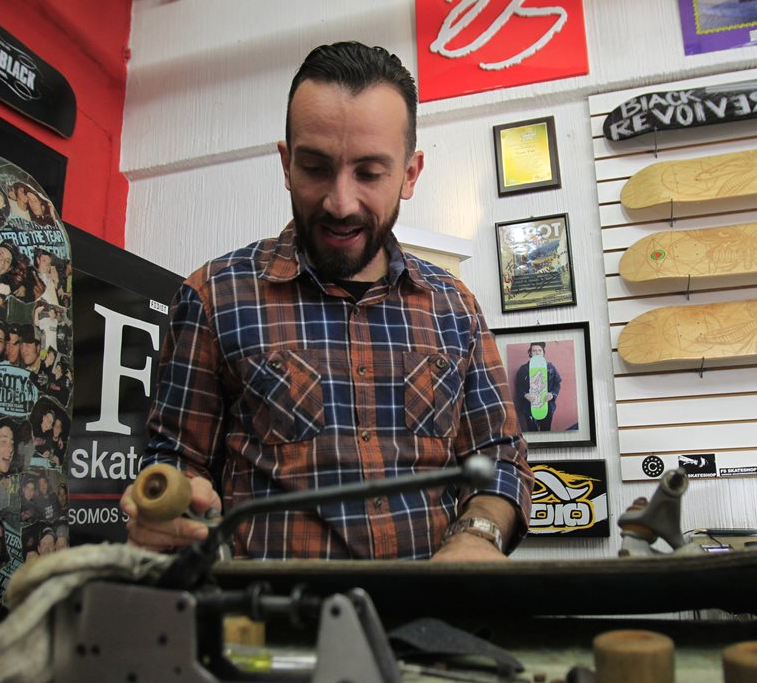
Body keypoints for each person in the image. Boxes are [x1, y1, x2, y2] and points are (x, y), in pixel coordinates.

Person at [123, 42, 532, 561]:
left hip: (432, 623)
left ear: (409, 174)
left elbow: (499, 458)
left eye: (369, 173)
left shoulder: (456, 308)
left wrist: (479, 533)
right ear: (286, 163)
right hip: (270, 629)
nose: (341, 202)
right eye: (316, 168)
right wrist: (170, 511)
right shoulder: (212, 296)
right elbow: (174, 463)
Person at [513, 342, 562, 432]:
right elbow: (518, 386)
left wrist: (552, 394)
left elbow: (557, 383)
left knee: (546, 431)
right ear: (530, 353)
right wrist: (525, 395)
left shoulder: (550, 367)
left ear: (543, 353)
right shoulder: (523, 369)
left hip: (547, 406)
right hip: (529, 407)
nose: (537, 352)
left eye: (540, 350)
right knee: (533, 431)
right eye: (534, 351)